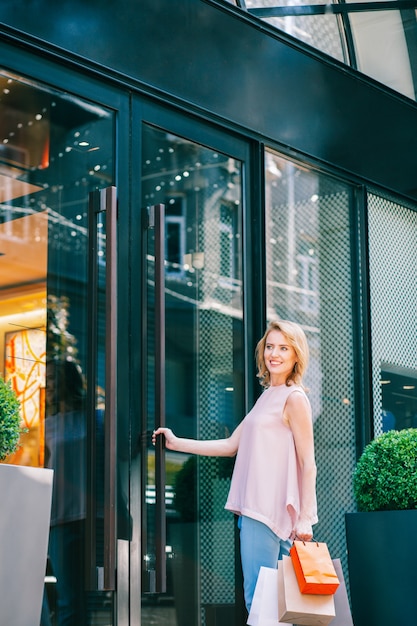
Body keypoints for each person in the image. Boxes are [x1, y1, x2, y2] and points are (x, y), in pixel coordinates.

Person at [153, 319, 318, 613]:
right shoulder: (268, 396)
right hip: (261, 510)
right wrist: (177, 443)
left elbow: (309, 463)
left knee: (262, 602)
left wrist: (306, 517)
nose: (274, 354)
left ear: (296, 355)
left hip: (266, 511)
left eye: (283, 348)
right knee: (280, 605)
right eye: (270, 346)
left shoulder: (294, 399)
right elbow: (231, 446)